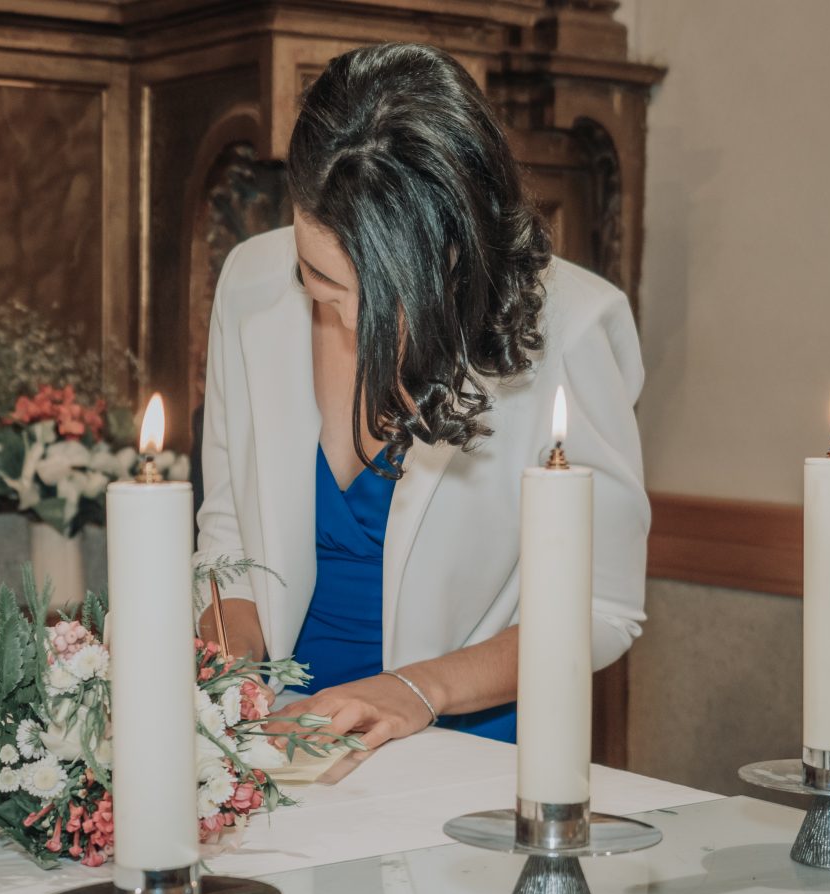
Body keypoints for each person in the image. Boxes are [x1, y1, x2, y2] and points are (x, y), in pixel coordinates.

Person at [194, 42, 649, 750]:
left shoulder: (573, 328)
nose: (339, 311)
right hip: (279, 742)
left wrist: (417, 690)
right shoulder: (251, 282)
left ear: (451, 254)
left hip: (464, 744)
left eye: (374, 295)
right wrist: (231, 652)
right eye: (316, 274)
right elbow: (228, 529)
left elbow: (602, 607)